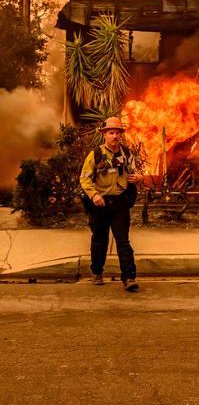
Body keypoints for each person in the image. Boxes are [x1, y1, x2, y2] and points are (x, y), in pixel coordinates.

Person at [80, 117, 143, 292]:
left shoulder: (126, 154)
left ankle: (129, 278)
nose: (115, 136)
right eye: (111, 132)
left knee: (123, 241)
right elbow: (84, 179)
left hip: (120, 204)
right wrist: (93, 196)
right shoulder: (96, 155)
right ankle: (97, 272)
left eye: (117, 133)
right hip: (100, 204)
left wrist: (139, 178)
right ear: (104, 134)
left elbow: (134, 172)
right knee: (100, 240)